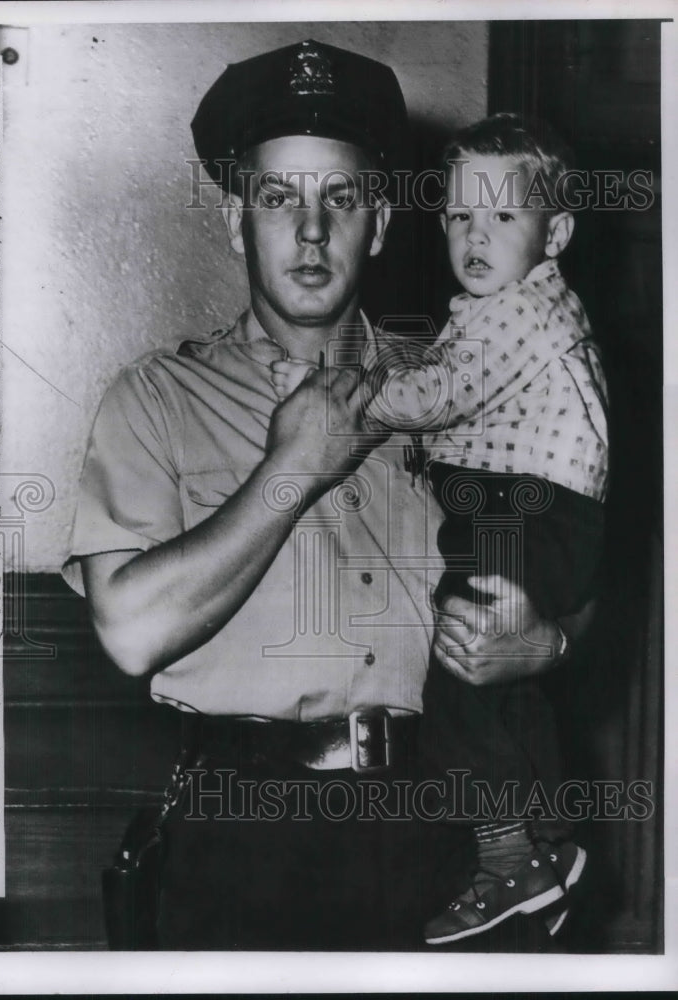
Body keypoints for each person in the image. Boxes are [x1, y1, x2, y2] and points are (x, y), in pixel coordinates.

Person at [62, 42, 589, 951]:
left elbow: (570, 550)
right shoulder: (155, 400)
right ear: (237, 223)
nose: (310, 232)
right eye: (278, 199)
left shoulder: (461, 388)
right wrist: (290, 470)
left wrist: (550, 640)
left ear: (379, 224)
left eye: (339, 199)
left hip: (443, 842)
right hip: (239, 842)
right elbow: (130, 633)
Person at [273, 112, 608, 945]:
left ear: (556, 231)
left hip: (521, 509)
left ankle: (507, 853)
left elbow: (433, 399)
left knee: (459, 659)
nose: (474, 235)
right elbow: (453, 405)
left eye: (501, 216)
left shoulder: (513, 315)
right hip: (536, 509)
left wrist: (355, 394)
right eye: (459, 215)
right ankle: (543, 845)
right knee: (496, 679)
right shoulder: (506, 310)